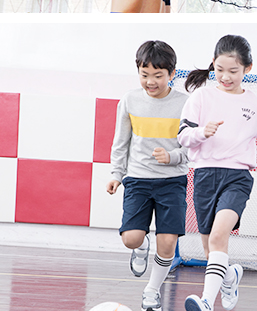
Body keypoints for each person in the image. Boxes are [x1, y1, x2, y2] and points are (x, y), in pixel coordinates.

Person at [177, 35, 257, 311]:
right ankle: (229, 276)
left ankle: (207, 301)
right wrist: (201, 132)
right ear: (213, 64)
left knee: (220, 235)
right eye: (219, 70)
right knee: (210, 250)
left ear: (248, 68)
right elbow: (183, 137)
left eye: (233, 71)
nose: (225, 76)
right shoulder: (201, 97)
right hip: (205, 177)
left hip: (237, 178)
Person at [107, 40, 189, 311]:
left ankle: (151, 291)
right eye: (145, 75)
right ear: (138, 72)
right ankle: (141, 247)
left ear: (172, 74)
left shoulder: (185, 104)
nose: (150, 82)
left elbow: (192, 148)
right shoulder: (130, 100)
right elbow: (121, 142)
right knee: (131, 238)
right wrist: (116, 174)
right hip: (138, 180)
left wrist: (172, 157)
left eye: (158, 75)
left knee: (167, 244)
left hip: (172, 182)